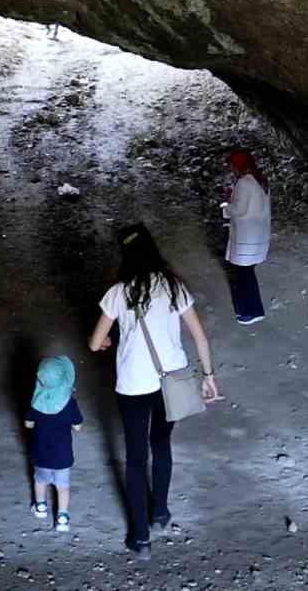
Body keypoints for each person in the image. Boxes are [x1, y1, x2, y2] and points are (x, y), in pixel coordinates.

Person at [88, 224, 219, 561]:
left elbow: (94, 342)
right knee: (161, 445)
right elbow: (200, 337)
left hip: (133, 386)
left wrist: (107, 342)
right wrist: (207, 375)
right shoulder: (174, 287)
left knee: (135, 459)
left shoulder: (118, 292)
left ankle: (141, 538)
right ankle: (161, 512)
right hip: (169, 383)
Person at [23, 355, 84, 532]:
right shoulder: (69, 404)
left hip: (40, 455)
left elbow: (28, 424)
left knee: (40, 481)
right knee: (63, 487)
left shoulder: (35, 403)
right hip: (63, 457)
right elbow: (78, 427)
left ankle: (40, 507)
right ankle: (62, 518)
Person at [222, 150, 270, 325]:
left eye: (232, 166)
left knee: (243, 275)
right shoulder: (261, 180)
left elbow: (239, 210)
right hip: (259, 233)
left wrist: (226, 205)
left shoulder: (244, 183)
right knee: (247, 272)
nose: (232, 170)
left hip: (246, 237)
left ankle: (250, 312)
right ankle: (253, 309)